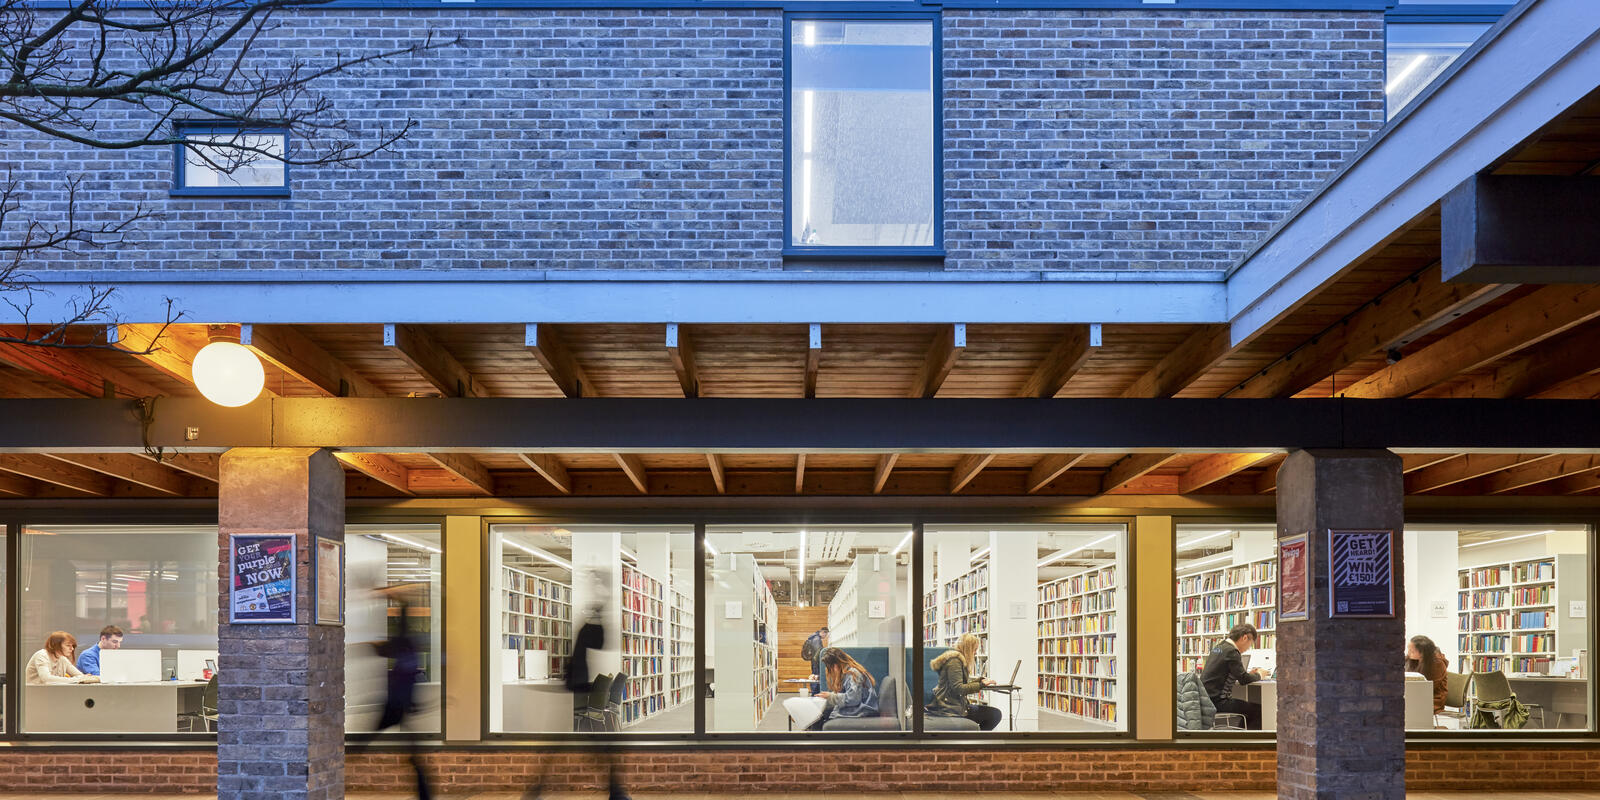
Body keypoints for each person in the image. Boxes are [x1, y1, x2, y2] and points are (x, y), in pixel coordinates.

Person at [927, 633, 1001, 731]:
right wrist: (981, 685)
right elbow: (959, 689)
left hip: (955, 705)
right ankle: (978, 741)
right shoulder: (954, 662)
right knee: (994, 714)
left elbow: (959, 686)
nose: (975, 653)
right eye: (974, 649)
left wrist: (979, 681)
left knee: (993, 713)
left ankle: (976, 740)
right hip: (949, 708)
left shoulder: (957, 660)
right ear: (968, 648)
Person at [1201, 623, 1267, 730]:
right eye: (1250, 644)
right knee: (1258, 710)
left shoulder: (1219, 647)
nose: (1248, 648)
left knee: (1248, 708)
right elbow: (1244, 680)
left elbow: (1227, 672)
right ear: (1245, 638)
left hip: (1206, 700)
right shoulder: (1232, 651)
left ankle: (1241, 735)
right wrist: (1260, 674)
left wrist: (1249, 674)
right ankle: (1247, 741)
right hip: (1218, 702)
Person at [26, 631, 100, 685]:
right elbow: (46, 678)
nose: (72, 649)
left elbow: (80, 676)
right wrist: (76, 679)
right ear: (56, 645)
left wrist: (83, 678)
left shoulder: (62, 658)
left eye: (73, 646)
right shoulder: (41, 655)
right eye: (68, 645)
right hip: (36, 695)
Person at [1406, 634, 1450, 714]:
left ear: (1423, 652)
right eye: (1408, 650)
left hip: (1433, 699)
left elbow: (1427, 688)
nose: (1408, 653)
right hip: (1416, 696)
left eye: (1412, 651)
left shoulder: (1437, 663)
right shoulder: (1413, 659)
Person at [801, 626, 829, 695]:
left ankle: (814, 693)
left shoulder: (813, 638)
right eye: (826, 634)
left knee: (814, 677)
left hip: (814, 662)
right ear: (823, 632)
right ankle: (815, 694)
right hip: (816, 663)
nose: (826, 636)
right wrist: (821, 663)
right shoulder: (817, 639)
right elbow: (818, 653)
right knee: (816, 679)